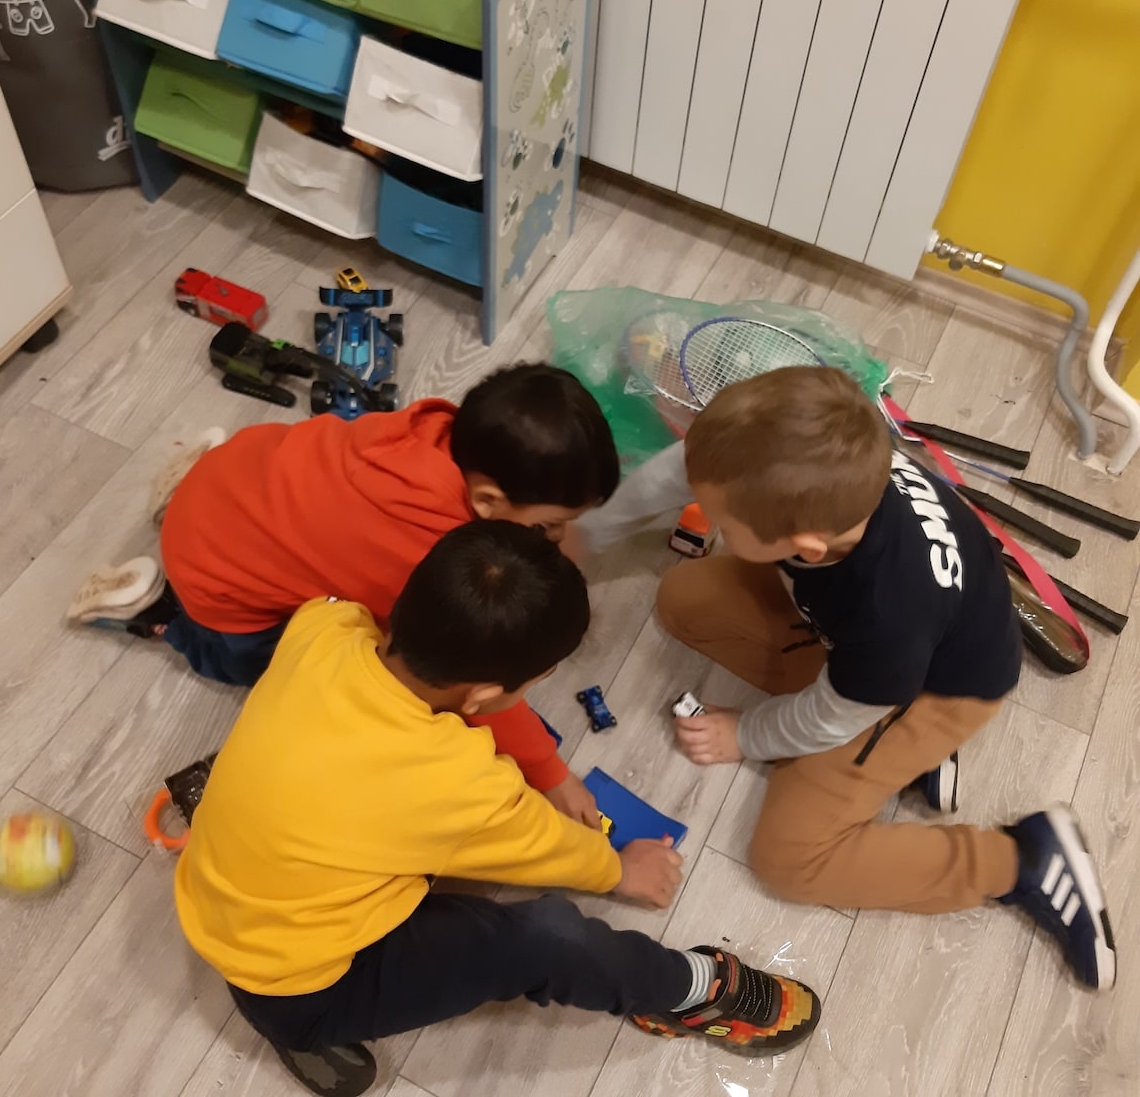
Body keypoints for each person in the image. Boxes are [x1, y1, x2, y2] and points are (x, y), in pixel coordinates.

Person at [174, 522, 822, 1096]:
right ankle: (692, 991)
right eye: (535, 682)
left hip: (215, 899)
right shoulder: (460, 785)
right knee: (547, 939)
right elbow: (546, 845)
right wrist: (621, 869)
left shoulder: (325, 625)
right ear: (483, 694)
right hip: (300, 990)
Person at [613, 366, 1113, 992]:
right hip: (897, 649)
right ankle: (899, 756)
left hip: (936, 691)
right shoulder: (833, 476)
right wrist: (588, 531)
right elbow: (696, 468)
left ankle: (1020, 861)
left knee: (789, 859)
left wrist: (746, 733)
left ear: (804, 547)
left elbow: (828, 715)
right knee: (685, 599)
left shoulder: (890, 615)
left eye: (724, 523)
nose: (709, 522)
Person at [68, 364, 621, 826]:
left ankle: (185, 487)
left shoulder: (437, 435)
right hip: (212, 577)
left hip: (229, 480)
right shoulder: (426, 555)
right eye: (550, 526)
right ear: (486, 501)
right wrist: (550, 772)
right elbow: (463, 671)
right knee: (251, 661)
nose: (558, 539)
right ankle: (159, 613)